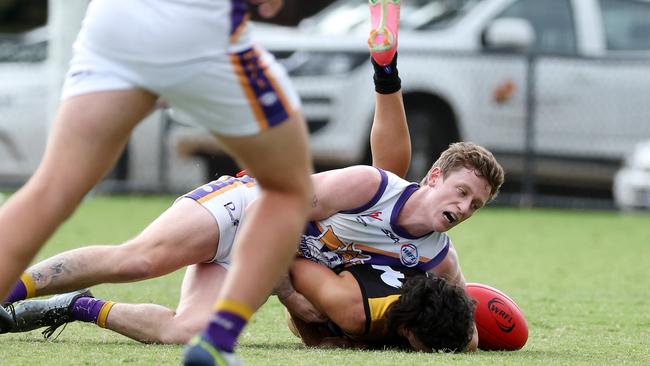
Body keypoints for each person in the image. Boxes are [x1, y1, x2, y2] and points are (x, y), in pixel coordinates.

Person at [0, 50, 414, 346]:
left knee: (184, 332)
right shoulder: (381, 196)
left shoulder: (427, 258)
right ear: (434, 178)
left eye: (474, 204)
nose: (463, 209)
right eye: (463, 193)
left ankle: (75, 306)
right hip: (245, 207)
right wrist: (386, 71)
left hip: (253, 258)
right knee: (138, 261)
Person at [0, 1, 314, 365]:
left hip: (115, 19)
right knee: (288, 189)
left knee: (53, 187)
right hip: (200, 26)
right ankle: (218, 341)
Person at [284, 258, 476, 352]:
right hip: (329, 294)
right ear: (407, 330)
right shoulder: (353, 311)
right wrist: (314, 340)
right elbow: (292, 264)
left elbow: (469, 339)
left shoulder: (457, 325)